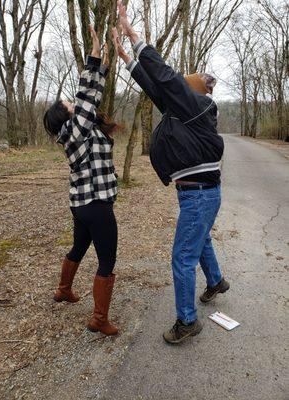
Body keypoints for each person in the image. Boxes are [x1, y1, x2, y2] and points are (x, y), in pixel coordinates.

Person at [112, 2, 230, 344]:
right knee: (201, 238)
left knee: (181, 257)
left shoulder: (194, 106)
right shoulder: (185, 113)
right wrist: (127, 59)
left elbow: (164, 76)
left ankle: (187, 321)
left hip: (198, 196)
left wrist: (134, 35)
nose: (174, 91)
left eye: (181, 88)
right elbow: (155, 87)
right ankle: (216, 280)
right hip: (202, 194)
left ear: (188, 93)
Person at [43, 26, 119, 336]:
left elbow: (89, 96)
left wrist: (103, 64)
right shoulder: (76, 130)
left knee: (78, 246)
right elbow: (87, 94)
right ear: (65, 115)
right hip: (96, 205)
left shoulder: (75, 132)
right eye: (68, 105)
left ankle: (63, 289)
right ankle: (99, 320)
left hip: (80, 205)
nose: (73, 105)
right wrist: (95, 52)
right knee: (107, 260)